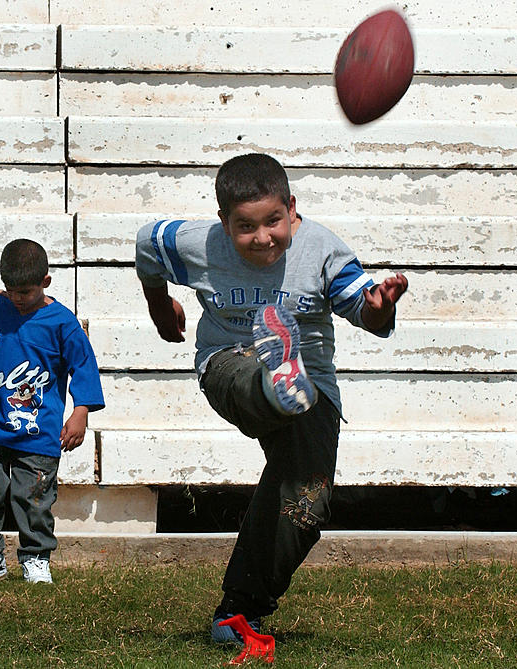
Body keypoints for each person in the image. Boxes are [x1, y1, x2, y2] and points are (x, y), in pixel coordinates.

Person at [135, 153, 408, 643]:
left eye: (273, 222)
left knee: (306, 502)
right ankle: (273, 382)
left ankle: (238, 614)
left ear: (292, 208)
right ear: (223, 222)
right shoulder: (196, 242)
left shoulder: (323, 250)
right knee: (249, 380)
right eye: (245, 227)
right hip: (228, 362)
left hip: (313, 382)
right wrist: (160, 305)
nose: (262, 238)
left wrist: (381, 310)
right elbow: (147, 245)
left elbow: (366, 314)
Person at [0, 239, 105, 585]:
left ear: (46, 282)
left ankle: (36, 557)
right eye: (11, 290)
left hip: (39, 430)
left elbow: (83, 366)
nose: (17, 298)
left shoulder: (62, 323)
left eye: (25, 291)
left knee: (34, 497)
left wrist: (80, 411)